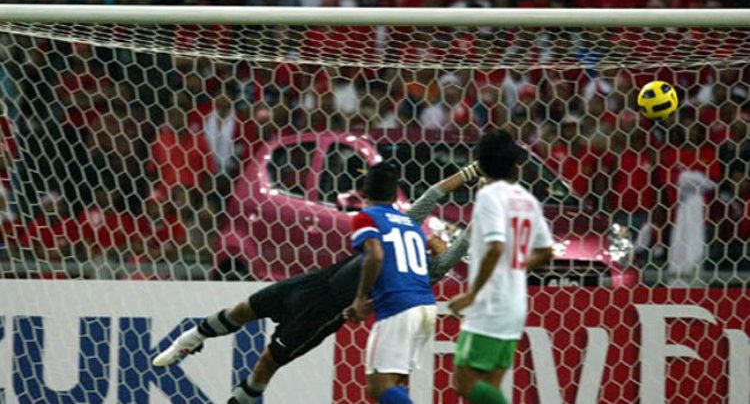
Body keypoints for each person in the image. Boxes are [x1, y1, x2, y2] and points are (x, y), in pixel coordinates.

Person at [152, 163, 482, 404]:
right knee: (245, 308)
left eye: (442, 239)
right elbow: (435, 196)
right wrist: (475, 176)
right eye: (439, 236)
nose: (438, 238)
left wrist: (476, 187)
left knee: (268, 362)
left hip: (328, 310)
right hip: (317, 281)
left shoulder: (428, 268)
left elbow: (453, 242)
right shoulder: (405, 223)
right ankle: (193, 338)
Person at [448, 130, 553, 404]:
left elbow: (495, 247)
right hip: (515, 306)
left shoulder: (488, 197)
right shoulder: (528, 200)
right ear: (515, 163)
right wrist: (516, 263)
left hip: (489, 306)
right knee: (489, 387)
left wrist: (472, 295)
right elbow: (545, 253)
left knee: (463, 382)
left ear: (480, 164)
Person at [343, 163, 436, 404]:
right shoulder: (411, 224)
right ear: (395, 194)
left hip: (399, 311)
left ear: (363, 192)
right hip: (425, 307)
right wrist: (374, 302)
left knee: (379, 387)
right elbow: (408, 271)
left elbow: (376, 255)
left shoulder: (365, 218)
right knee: (394, 384)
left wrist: (360, 297)